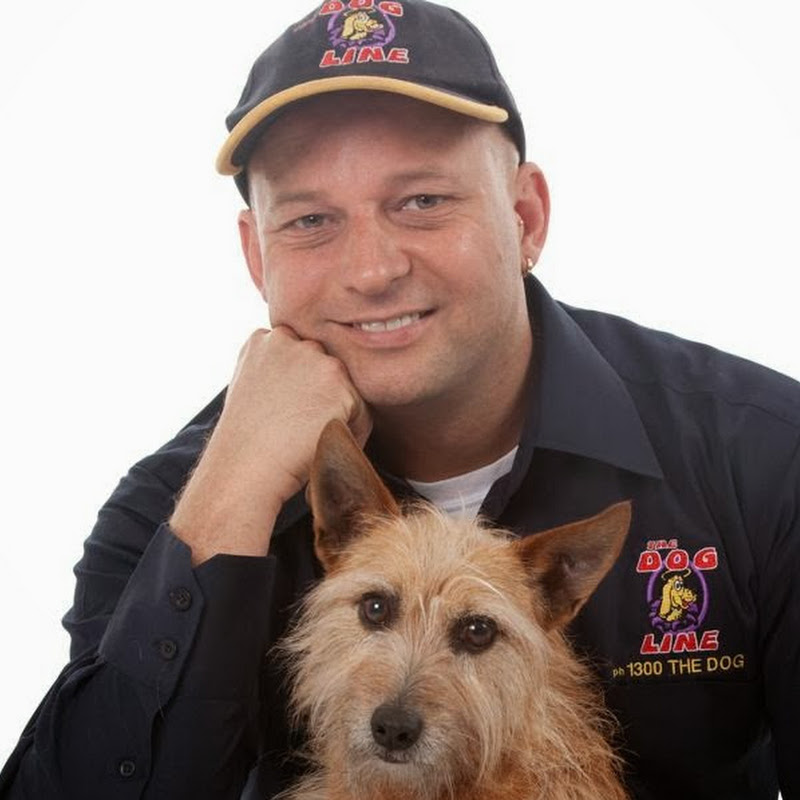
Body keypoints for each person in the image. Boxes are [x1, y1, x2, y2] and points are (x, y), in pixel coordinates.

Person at [1, 1, 798, 798]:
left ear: (525, 218)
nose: (373, 270)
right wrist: (233, 490)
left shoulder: (766, 459)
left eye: (422, 201)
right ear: (257, 258)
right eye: (310, 219)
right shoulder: (171, 510)